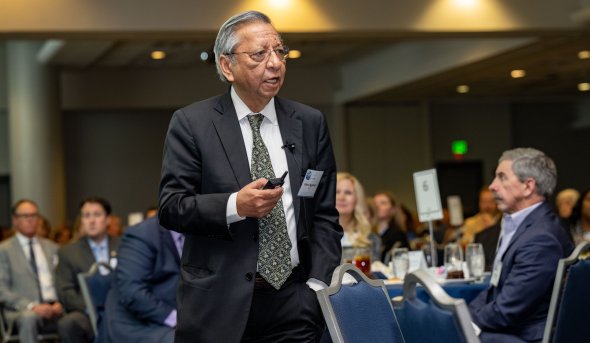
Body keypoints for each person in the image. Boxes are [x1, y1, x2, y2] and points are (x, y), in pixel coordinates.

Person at [158, 11, 342, 342]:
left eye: (279, 51)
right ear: (227, 66)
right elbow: (173, 206)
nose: (275, 63)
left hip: (295, 302)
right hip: (218, 305)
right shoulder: (192, 123)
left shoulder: (309, 122)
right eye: (259, 54)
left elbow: (325, 215)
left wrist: (316, 286)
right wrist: (235, 206)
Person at [469, 148, 574, 343]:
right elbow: (494, 290)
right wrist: (465, 315)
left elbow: (507, 311)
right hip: (511, 328)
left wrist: (464, 322)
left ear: (528, 186)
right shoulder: (521, 226)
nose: (492, 186)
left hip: (524, 337)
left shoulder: (541, 238)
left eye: (502, 178)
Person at [105, 216, 182, 343]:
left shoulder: (198, 233)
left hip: (172, 314)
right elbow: (133, 293)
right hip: (136, 323)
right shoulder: (142, 234)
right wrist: (177, 319)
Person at [55, 196, 120, 343]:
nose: (91, 221)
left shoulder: (124, 245)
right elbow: (65, 291)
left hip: (121, 308)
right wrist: (91, 308)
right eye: (86, 215)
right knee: (69, 324)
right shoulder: (68, 252)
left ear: (108, 219)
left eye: (97, 215)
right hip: (87, 313)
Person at [0, 199, 62, 343]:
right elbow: (2, 290)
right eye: (25, 216)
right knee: (29, 318)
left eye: (34, 216)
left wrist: (60, 303)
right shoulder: (4, 250)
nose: (30, 220)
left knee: (76, 319)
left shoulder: (53, 248)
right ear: (15, 220)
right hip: (21, 311)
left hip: (54, 308)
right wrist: (32, 306)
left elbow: (62, 282)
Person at [336, 173, 381, 263]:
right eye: (336, 192)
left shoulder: (370, 239)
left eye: (348, 193)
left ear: (357, 199)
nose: (341, 197)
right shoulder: (316, 236)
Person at [373, 191, 409, 262]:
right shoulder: (367, 234)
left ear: (392, 209)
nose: (377, 206)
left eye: (383, 203)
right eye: (374, 203)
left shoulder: (398, 235)